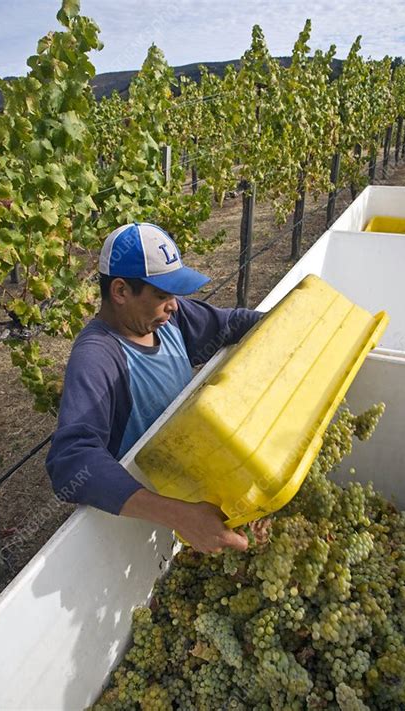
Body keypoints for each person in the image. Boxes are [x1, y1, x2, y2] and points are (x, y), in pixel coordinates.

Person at [46, 222, 262, 553]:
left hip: (191, 485)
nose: (174, 304)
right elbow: (71, 461)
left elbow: (232, 324)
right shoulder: (98, 358)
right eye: (162, 294)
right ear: (120, 291)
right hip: (147, 516)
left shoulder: (169, 318)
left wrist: (296, 319)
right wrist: (181, 517)